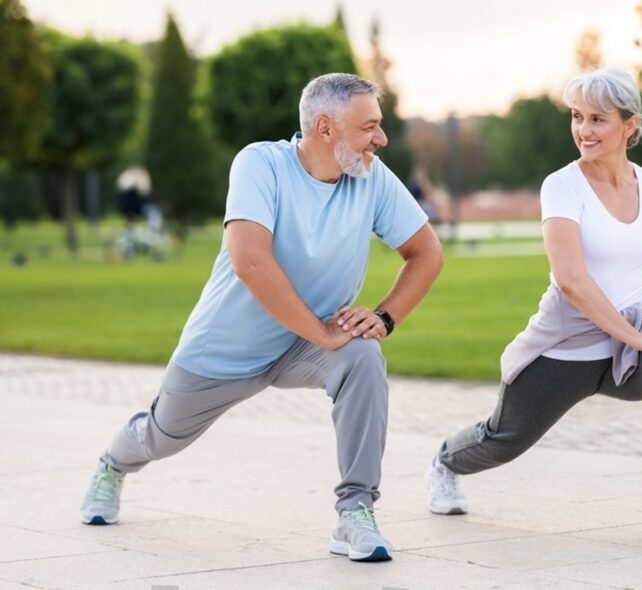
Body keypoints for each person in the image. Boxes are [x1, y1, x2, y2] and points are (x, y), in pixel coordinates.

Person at [79, 73, 444, 563]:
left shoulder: (371, 177)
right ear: (325, 129)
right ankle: (111, 465)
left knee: (362, 357)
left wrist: (383, 317)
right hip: (227, 348)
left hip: (306, 347)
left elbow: (425, 253)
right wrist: (319, 330)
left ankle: (356, 510)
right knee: (160, 436)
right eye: (369, 127)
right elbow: (251, 260)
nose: (380, 139)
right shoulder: (260, 164)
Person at [425, 69, 642, 550]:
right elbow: (571, 279)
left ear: (630, 125)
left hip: (630, 345)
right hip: (565, 347)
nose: (584, 130)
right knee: (503, 439)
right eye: (577, 117)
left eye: (598, 119)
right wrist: (641, 337)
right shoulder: (562, 186)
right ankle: (445, 462)